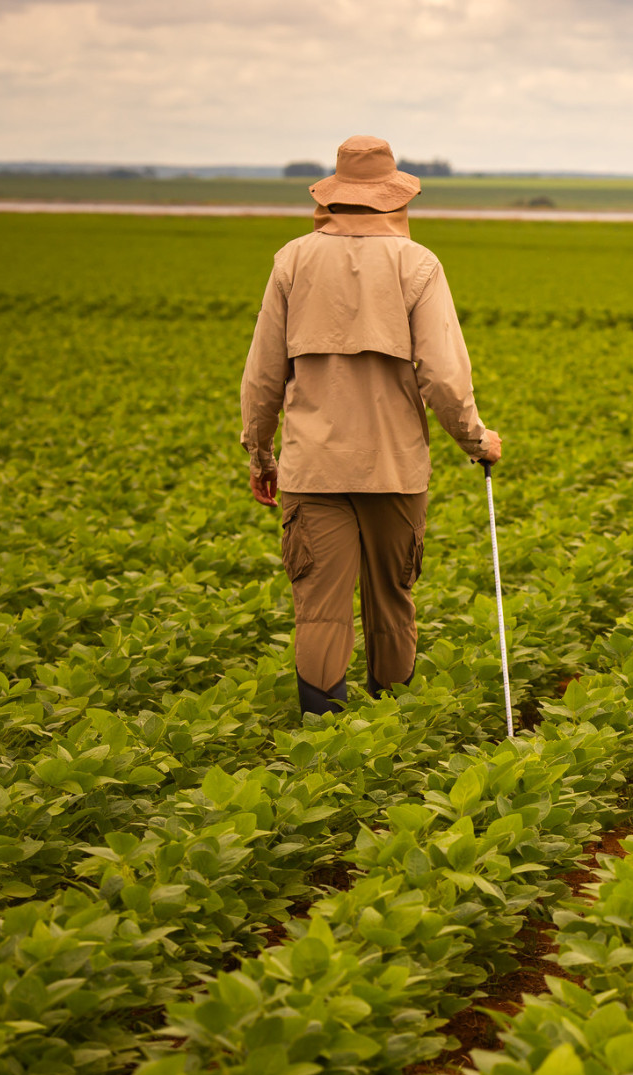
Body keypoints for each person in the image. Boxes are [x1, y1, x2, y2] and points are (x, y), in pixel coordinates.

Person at [240, 135, 502, 715]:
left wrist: (260, 456)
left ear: (334, 197)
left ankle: (324, 736)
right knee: (392, 598)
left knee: (320, 609)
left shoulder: (292, 259)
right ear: (393, 199)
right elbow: (444, 374)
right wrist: (477, 441)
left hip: (312, 468)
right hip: (396, 467)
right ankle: (393, 730)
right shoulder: (419, 263)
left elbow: (261, 376)